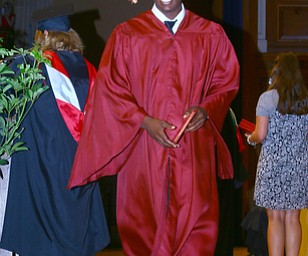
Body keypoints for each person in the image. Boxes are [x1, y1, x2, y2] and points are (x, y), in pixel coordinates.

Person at [68, 0, 240, 255]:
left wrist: (206, 109)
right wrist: (144, 121)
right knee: (143, 233)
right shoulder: (127, 34)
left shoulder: (210, 33)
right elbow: (110, 90)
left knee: (196, 235)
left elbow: (225, 83)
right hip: (143, 154)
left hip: (193, 153)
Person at [0, 12, 110, 256]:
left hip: (40, 178)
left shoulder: (27, 67)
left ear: (45, 35)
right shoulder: (91, 70)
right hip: (79, 174)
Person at [245, 52, 308, 256]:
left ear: (276, 72)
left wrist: (249, 138)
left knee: (275, 218)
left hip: (273, 166)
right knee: (293, 218)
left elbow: (260, 134)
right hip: (298, 166)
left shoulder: (267, 98)